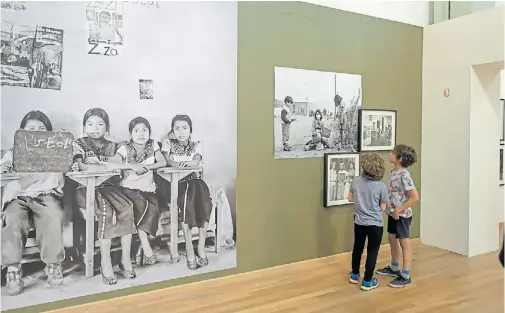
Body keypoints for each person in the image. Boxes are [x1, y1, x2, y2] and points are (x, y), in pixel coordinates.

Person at [1, 111, 65, 296]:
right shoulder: (14, 152)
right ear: (22, 132)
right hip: (18, 197)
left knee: (53, 216)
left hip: (45, 195)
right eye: (31, 129)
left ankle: (53, 264)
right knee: (11, 220)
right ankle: (12, 269)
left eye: (41, 129)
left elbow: (62, 174)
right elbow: (3, 167)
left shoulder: (55, 152)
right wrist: (4, 167)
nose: (36, 133)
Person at [72, 108, 136, 285]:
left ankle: (125, 259)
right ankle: (105, 262)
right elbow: (82, 167)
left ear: (107, 128)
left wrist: (98, 163)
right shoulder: (78, 143)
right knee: (105, 212)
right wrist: (97, 165)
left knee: (128, 207)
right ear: (84, 127)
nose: (95, 128)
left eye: (100, 124)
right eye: (90, 124)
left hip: (108, 187)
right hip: (86, 188)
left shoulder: (114, 145)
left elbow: (120, 165)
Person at [109, 117, 166, 266]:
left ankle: (142, 247)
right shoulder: (124, 148)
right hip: (128, 189)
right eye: (136, 130)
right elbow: (111, 162)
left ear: (149, 132)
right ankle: (146, 247)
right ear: (130, 134)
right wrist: (132, 166)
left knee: (152, 208)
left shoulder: (153, 145)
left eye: (144, 130)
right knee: (141, 206)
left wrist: (148, 167)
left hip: (148, 189)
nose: (141, 134)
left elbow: (162, 162)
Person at [161, 114, 213, 270]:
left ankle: (201, 247)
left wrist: (181, 163)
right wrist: (183, 164)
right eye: (177, 128)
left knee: (204, 202)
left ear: (190, 130)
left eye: (185, 128)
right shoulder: (167, 143)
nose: (181, 132)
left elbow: (195, 162)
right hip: (176, 185)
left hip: (196, 184)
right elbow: (167, 162)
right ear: (172, 131)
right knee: (188, 200)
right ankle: (190, 248)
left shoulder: (197, 145)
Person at [376, 144, 419, 288]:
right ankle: (394, 267)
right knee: (392, 237)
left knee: (404, 242)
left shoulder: (404, 175)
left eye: (393, 153)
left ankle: (405, 275)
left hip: (402, 215)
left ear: (399, 158)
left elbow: (414, 197)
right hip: (393, 213)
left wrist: (399, 210)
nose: (390, 154)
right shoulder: (394, 171)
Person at [348, 153, 388, 291]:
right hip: (376, 225)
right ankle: (367, 281)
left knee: (357, 248)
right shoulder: (381, 186)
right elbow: (383, 207)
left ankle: (354, 275)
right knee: (372, 251)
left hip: (359, 223)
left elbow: (350, 198)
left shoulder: (355, 181)